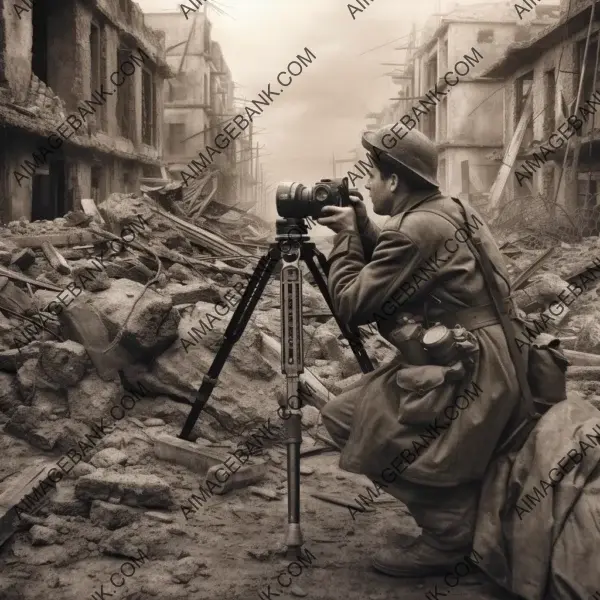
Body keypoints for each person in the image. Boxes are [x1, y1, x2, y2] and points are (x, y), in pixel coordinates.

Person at [316, 124, 532, 577]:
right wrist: (368, 229)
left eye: (372, 176)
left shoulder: (414, 230)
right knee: (391, 423)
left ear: (394, 181)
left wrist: (347, 240)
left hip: (470, 368)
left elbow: (353, 305)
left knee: (345, 418)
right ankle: (465, 516)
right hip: (495, 352)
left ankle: (448, 536)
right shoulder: (448, 209)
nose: (368, 186)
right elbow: (414, 263)